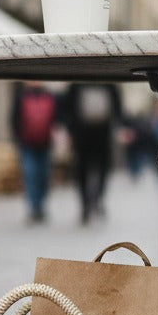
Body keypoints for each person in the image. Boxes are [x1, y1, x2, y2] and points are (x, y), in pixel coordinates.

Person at [61, 82, 122, 224]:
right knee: (81, 170)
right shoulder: (76, 84)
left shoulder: (109, 83)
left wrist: (118, 126)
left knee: (103, 168)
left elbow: (117, 106)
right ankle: (85, 204)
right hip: (82, 133)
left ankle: (98, 199)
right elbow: (67, 107)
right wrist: (70, 128)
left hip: (103, 132)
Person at [10, 81, 58, 223]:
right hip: (27, 144)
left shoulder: (50, 96)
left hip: (45, 143)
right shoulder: (21, 97)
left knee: (43, 176)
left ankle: (40, 205)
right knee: (30, 175)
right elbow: (15, 119)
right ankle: (34, 207)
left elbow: (57, 118)